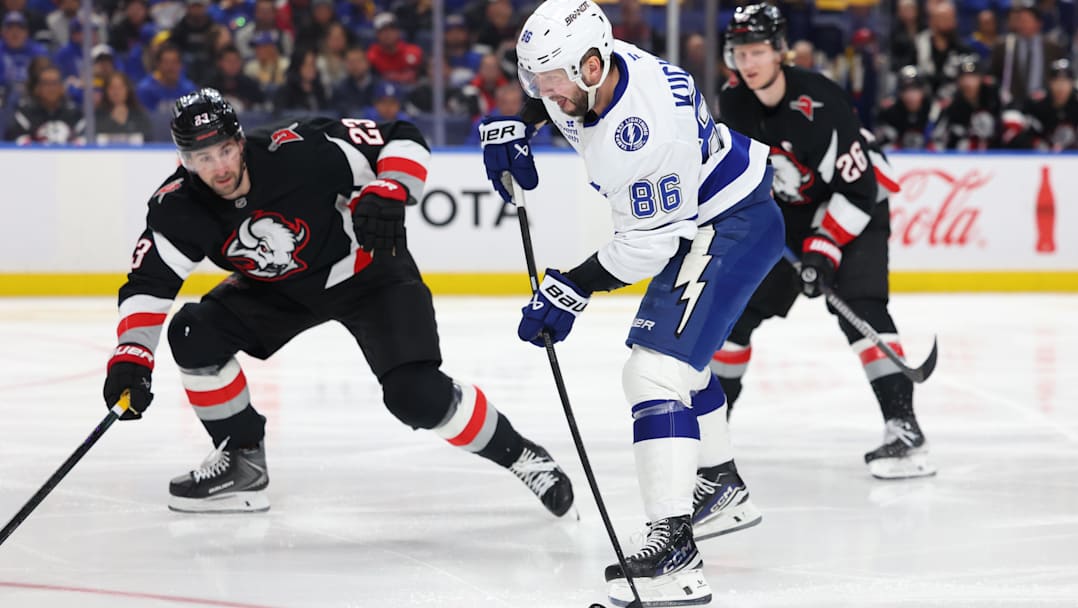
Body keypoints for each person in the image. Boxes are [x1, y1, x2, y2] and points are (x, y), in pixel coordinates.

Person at [100, 88, 575, 522]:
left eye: (225, 150)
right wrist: (131, 357)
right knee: (193, 332)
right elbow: (149, 284)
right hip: (276, 292)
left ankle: (522, 456)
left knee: (417, 396)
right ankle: (242, 462)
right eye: (203, 157)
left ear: (240, 141)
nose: (220, 168)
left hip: (367, 273)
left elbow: (401, 136)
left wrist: (392, 187)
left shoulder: (299, 150)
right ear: (184, 159)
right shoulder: (179, 205)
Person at [479, 1, 782, 605]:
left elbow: (644, 248)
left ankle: (674, 552)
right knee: (682, 363)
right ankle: (718, 484)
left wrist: (569, 289)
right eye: (535, 82)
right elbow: (549, 96)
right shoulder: (591, 77)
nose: (546, 93)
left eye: (555, 82)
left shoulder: (641, 133)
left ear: (593, 65)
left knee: (653, 373)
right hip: (706, 217)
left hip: (729, 223)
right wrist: (520, 123)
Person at [716, 3, 936, 481]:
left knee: (860, 306)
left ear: (779, 51)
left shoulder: (821, 100)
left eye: (756, 51)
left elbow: (857, 190)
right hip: (788, 215)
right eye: (739, 52)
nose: (748, 62)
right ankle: (709, 434)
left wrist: (824, 249)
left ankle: (904, 427)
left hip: (855, 205)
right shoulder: (734, 102)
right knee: (734, 312)